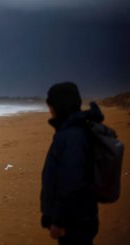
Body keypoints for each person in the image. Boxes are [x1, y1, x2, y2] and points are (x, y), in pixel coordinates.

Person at [41, 82, 102, 244]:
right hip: (81, 217)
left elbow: (71, 183)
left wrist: (59, 221)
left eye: (51, 105)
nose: (50, 110)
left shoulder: (72, 135)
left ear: (59, 105)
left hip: (73, 222)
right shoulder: (77, 130)